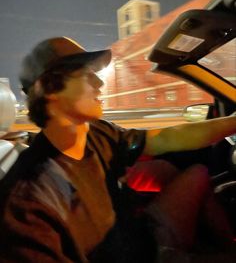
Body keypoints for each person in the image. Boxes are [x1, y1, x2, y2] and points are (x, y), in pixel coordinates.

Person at [0, 36, 235, 263]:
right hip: (150, 255)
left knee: (196, 173)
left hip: (143, 236)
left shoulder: (97, 133)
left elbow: (166, 137)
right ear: (49, 89)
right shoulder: (27, 201)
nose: (99, 83)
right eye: (85, 74)